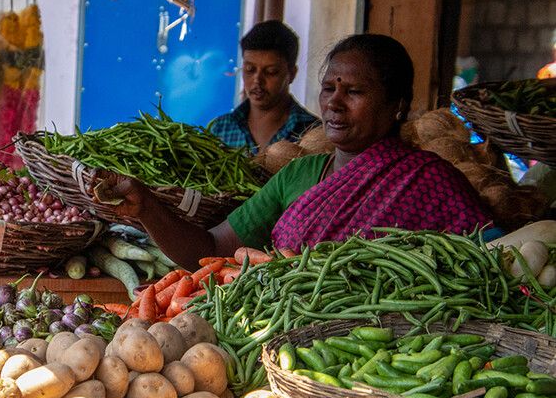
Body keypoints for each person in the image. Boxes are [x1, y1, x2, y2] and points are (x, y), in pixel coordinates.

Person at [93, 34, 499, 272]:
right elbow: (208, 251)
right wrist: (146, 205)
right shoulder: (297, 175)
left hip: (386, 357)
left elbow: (498, 259)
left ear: (396, 104)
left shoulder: (429, 181)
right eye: (329, 88)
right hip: (284, 348)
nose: (334, 103)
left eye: (354, 92)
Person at [207, 20, 318, 153]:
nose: (257, 80)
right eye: (250, 69)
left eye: (271, 72)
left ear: (292, 74)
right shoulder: (221, 129)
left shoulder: (313, 133)